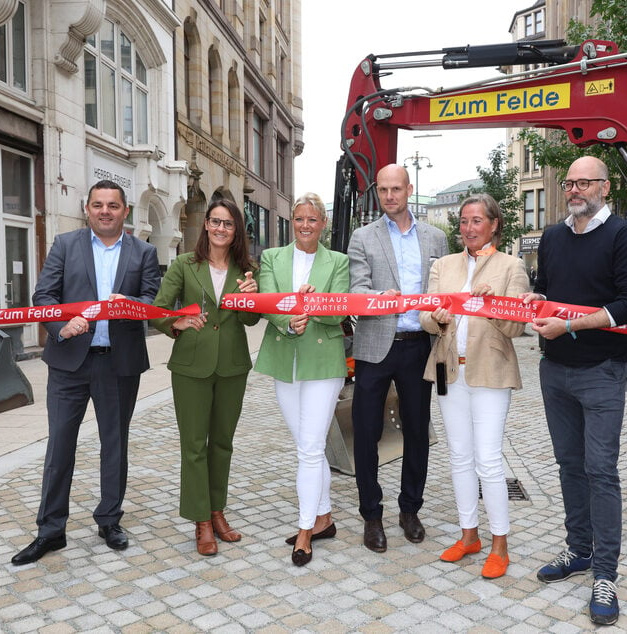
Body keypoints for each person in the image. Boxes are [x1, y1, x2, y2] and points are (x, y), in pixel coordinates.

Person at [520, 156, 627, 626]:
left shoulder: (625, 236)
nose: (574, 189)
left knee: (601, 470)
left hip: (602, 370)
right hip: (555, 370)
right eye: (569, 183)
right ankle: (578, 550)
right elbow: (546, 288)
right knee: (569, 465)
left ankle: (606, 574)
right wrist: (537, 301)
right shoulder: (552, 238)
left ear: (604, 187)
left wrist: (571, 323)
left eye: (583, 183)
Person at [12, 179, 161, 565]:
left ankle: (109, 520)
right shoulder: (65, 245)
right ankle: (50, 531)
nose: (105, 211)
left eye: (113, 205)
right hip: (69, 364)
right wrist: (61, 328)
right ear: (88, 209)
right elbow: (44, 297)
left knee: (114, 445)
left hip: (119, 364)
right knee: (59, 446)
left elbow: (153, 301)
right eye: (98, 205)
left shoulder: (144, 252)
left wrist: (130, 304)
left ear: (125, 211)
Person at [419, 194, 527, 579]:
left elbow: (517, 327)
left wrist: (494, 304)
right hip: (450, 372)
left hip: (491, 374)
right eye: (463, 221)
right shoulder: (443, 265)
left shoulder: (511, 267)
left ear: (494, 223)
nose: (468, 228)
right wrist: (438, 319)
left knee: (489, 460)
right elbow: (425, 317)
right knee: (459, 457)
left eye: (476, 221)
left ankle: (500, 543)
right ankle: (469, 536)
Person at [348, 164, 449, 552]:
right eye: (383, 190)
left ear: (409, 189)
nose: (390, 196)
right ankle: (371, 515)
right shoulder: (362, 237)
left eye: (396, 189)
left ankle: (410, 509)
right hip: (376, 344)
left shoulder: (435, 239)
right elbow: (357, 289)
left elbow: (444, 290)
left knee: (417, 431)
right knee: (367, 432)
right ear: (378, 193)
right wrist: (376, 299)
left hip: (418, 345)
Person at [150, 198, 259, 556]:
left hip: (231, 366)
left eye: (228, 224)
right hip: (191, 367)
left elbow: (249, 321)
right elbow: (159, 310)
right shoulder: (184, 264)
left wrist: (250, 300)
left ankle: (217, 512)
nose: (220, 229)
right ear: (206, 225)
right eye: (215, 222)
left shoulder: (246, 270)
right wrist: (176, 323)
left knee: (223, 443)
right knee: (194, 445)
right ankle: (201, 521)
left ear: (236, 230)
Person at [254, 193, 350, 567]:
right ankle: (324, 517)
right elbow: (266, 301)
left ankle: (306, 529)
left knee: (309, 448)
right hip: (284, 361)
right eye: (299, 219)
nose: (305, 225)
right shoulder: (272, 258)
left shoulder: (338, 261)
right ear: (291, 222)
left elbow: (339, 306)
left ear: (323, 223)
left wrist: (314, 303)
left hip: (323, 363)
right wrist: (287, 318)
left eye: (312, 220)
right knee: (307, 446)